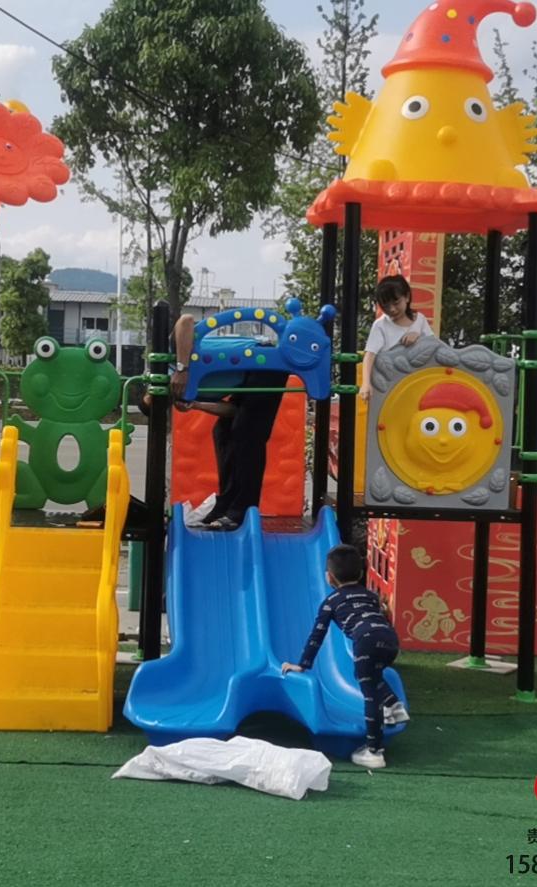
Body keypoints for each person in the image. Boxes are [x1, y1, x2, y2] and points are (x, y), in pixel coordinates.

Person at [281, 543, 408, 769]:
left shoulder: (331, 602)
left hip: (366, 641)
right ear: (360, 573)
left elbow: (316, 636)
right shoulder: (370, 595)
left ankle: (374, 751)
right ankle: (394, 707)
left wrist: (303, 665)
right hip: (390, 639)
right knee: (371, 675)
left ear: (329, 577)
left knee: (369, 693)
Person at [169, 313, 288, 531]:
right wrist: (196, 405)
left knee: (247, 433)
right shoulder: (183, 392)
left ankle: (241, 511)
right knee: (223, 430)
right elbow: (232, 411)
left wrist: (182, 368)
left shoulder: (174, 360)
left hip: (265, 362)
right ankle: (225, 503)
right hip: (247, 378)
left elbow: (186, 320)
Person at [360, 274, 434, 402]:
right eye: (386, 305)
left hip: (417, 383)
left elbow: (434, 346)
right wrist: (366, 383)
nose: (392, 309)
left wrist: (417, 336)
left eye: (396, 303)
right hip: (391, 385)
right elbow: (370, 354)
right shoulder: (381, 325)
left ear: (407, 297)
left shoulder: (420, 320)